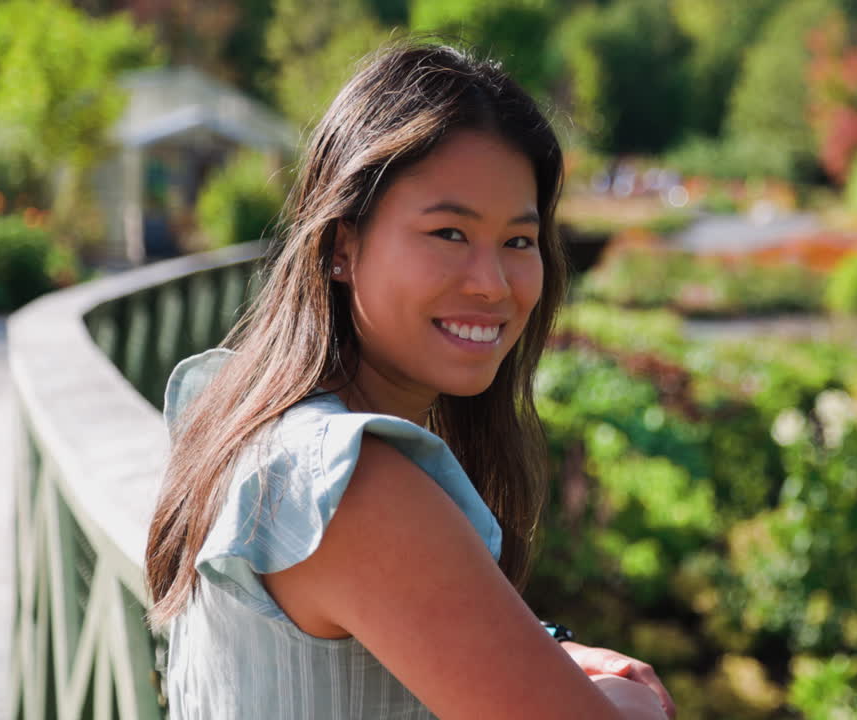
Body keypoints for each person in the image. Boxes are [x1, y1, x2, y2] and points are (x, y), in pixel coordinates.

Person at [145, 44, 674, 719]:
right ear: (341, 247)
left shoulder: (248, 420)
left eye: (518, 241)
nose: (493, 285)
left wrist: (548, 653)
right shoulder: (350, 487)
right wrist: (631, 703)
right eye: (449, 233)